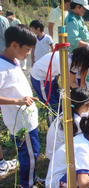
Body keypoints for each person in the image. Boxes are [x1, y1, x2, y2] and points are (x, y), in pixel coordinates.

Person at [0, 25, 39, 188]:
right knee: (29, 155)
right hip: (21, 122)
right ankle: (26, 184)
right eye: (28, 49)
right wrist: (18, 101)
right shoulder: (2, 68)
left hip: (27, 118)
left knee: (31, 153)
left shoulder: (13, 60)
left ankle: (32, 178)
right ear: (14, 45)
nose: (29, 53)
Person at [30, 46, 89, 126]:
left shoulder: (75, 63)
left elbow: (72, 82)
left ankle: (59, 124)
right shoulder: (65, 61)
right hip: (40, 77)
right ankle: (54, 128)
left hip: (51, 77)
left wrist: (84, 94)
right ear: (83, 60)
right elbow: (65, 85)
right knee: (52, 106)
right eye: (88, 65)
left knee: (58, 103)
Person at [46, 87, 89, 159]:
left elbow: (87, 114)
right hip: (59, 160)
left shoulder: (66, 112)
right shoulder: (77, 122)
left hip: (52, 154)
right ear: (84, 105)